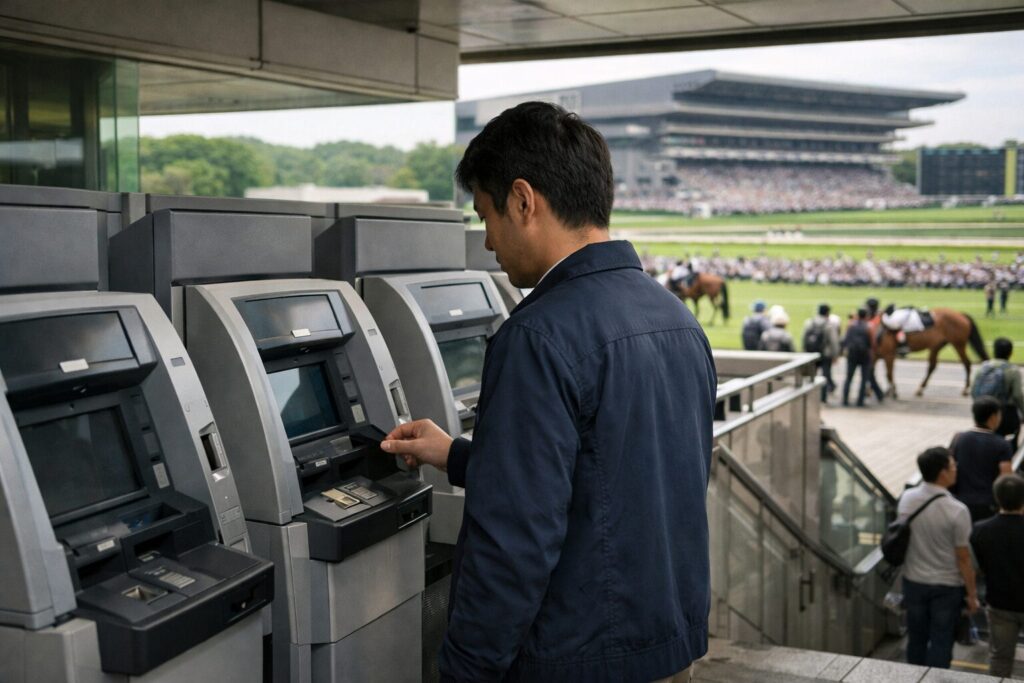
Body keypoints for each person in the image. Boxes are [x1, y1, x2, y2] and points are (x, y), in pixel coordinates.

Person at [381, 101, 717, 682]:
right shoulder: (675, 317)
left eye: (485, 216)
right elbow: (616, 474)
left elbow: (513, 541)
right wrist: (458, 455)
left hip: (575, 656)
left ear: (522, 200)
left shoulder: (537, 336)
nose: (487, 243)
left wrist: (463, 670)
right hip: (663, 647)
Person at [899, 447, 978, 669]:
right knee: (941, 640)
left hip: (913, 581)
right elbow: (963, 558)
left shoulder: (907, 499)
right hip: (946, 587)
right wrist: (972, 595)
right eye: (953, 466)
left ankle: (914, 675)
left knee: (916, 638)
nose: (956, 469)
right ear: (942, 473)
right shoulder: (958, 510)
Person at [970, 474, 1024, 678]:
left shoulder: (981, 530)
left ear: (997, 498)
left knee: (1000, 657)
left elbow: (976, 567)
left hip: (999, 604)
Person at [950, 396, 1013, 523]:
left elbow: (951, 466)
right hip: (988, 504)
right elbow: (1006, 477)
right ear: (993, 417)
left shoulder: (959, 438)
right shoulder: (1002, 444)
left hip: (960, 502)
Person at [972, 337, 1024, 450]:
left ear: (994, 351)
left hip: (983, 411)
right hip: (1005, 414)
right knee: (1010, 444)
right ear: (1010, 353)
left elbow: (974, 391)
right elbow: (1017, 395)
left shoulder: (983, 367)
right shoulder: (1013, 370)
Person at [841, 308, 880, 407]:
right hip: (864, 355)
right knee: (864, 379)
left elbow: (846, 339)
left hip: (852, 354)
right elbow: (873, 343)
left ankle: (845, 399)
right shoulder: (869, 327)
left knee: (849, 378)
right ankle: (860, 401)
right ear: (866, 316)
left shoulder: (851, 325)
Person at [802, 303, 840, 401]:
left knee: (811, 376)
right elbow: (833, 341)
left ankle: (810, 396)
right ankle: (823, 398)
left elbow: (804, 338)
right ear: (827, 313)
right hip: (825, 355)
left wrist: (804, 352)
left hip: (811, 353)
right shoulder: (829, 325)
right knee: (825, 375)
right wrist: (835, 355)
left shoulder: (809, 322)